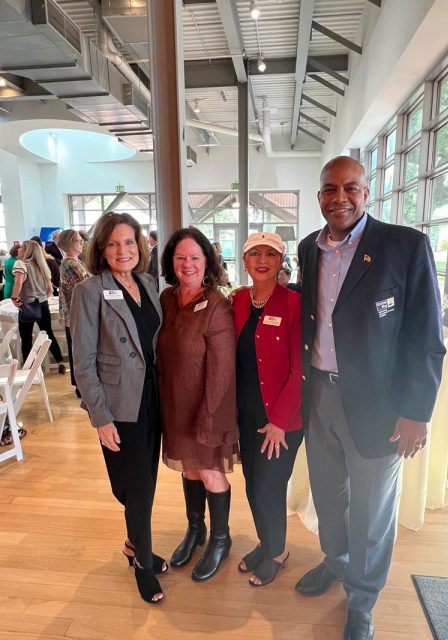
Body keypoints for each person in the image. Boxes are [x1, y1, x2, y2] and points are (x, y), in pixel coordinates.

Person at [296, 156, 446, 640]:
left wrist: (416, 412)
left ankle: (362, 599)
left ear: (366, 192)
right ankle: (336, 561)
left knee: (372, 510)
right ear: (319, 196)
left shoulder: (405, 246)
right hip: (319, 395)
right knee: (328, 494)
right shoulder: (309, 248)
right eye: (329, 189)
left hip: (379, 406)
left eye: (350, 188)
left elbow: (426, 336)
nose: (339, 197)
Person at [70, 212, 165, 604]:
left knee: (148, 480)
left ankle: (132, 543)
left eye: (128, 242)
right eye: (113, 243)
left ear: (139, 246)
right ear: (101, 249)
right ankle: (143, 562)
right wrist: (101, 417)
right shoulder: (89, 290)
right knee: (136, 485)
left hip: (153, 397)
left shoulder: (147, 283)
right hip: (120, 404)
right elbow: (82, 360)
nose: (122, 250)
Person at [157, 228, 239, 582]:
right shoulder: (166, 298)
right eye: (180, 257)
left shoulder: (217, 305)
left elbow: (222, 369)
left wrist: (209, 416)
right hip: (175, 404)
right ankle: (196, 529)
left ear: (207, 261)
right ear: (171, 262)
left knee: (209, 471)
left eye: (194, 257)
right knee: (189, 470)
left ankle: (221, 538)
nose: (187, 264)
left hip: (208, 405)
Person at [232, 232, 303, 587]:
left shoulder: (294, 304)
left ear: (280, 261)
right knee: (252, 486)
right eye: (255, 254)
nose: (262, 260)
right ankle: (267, 542)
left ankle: (278, 552)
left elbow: (300, 369)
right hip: (247, 416)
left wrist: (280, 421)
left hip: (280, 420)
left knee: (268, 488)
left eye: (271, 254)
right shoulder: (237, 300)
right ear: (244, 261)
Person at [11, 240, 65, 372]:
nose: (19, 250)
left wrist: (14, 298)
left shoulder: (21, 264)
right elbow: (49, 288)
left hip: (28, 304)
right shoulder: (41, 265)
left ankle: (29, 368)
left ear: (27, 250)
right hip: (43, 303)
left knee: (26, 337)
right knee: (49, 334)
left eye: (22, 248)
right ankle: (59, 362)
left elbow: (18, 282)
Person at [57, 230, 89, 398]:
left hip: (76, 314)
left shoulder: (74, 261)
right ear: (69, 244)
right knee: (80, 350)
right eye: (78, 241)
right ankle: (81, 386)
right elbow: (86, 285)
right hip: (77, 315)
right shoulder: (71, 264)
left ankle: (80, 384)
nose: (82, 243)